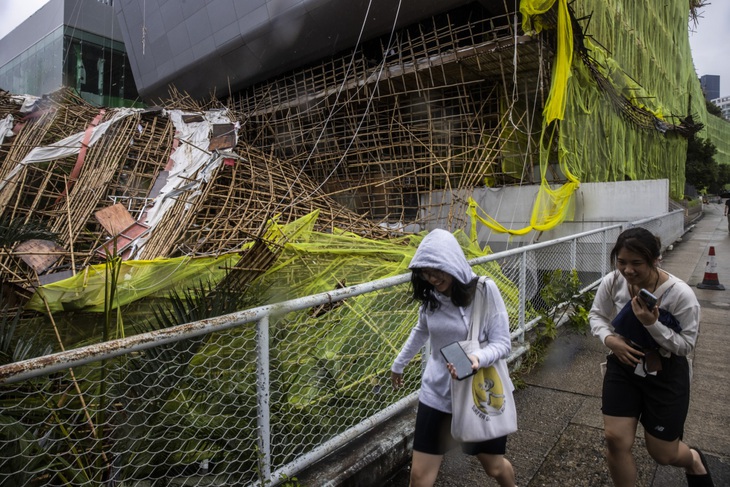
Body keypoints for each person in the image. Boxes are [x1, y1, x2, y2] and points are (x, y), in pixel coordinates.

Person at [589, 227, 714, 487]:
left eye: (637, 263)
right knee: (615, 438)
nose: (628, 271)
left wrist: (651, 324)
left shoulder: (681, 295)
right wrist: (611, 340)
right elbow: (597, 315)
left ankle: (693, 460)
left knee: (663, 454)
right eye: (622, 262)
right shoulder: (613, 281)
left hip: (665, 372)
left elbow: (686, 345)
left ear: (656, 260)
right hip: (624, 364)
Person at [390, 229, 516, 487]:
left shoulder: (484, 291)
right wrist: (399, 364)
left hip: (476, 393)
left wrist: (475, 359)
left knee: (493, 467)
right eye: (425, 272)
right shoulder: (431, 298)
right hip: (436, 394)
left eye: (437, 270)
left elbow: (503, 343)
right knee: (419, 477)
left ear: (453, 262)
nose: (432, 278)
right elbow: (421, 331)